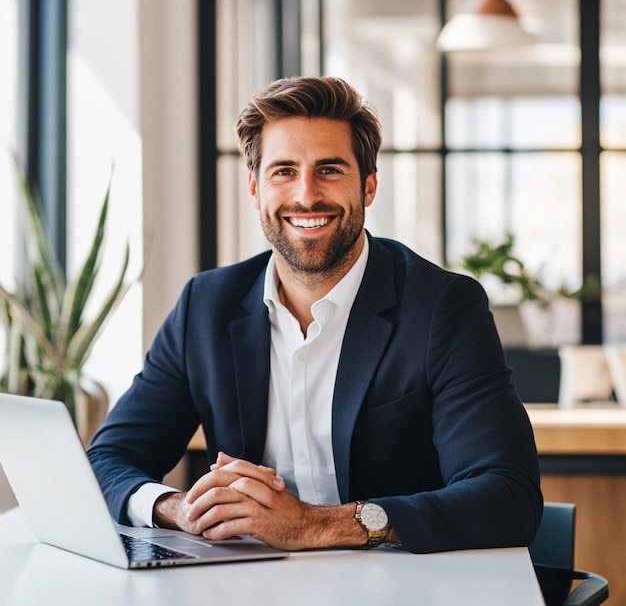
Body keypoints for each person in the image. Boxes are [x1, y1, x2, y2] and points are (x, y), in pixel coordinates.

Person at [88, 75, 542, 554]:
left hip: (400, 587)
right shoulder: (205, 306)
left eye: (329, 170)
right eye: (283, 171)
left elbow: (507, 497)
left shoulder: (441, 308)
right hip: (247, 586)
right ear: (254, 187)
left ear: (368, 186)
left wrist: (316, 525)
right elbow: (108, 460)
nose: (306, 195)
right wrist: (177, 507)